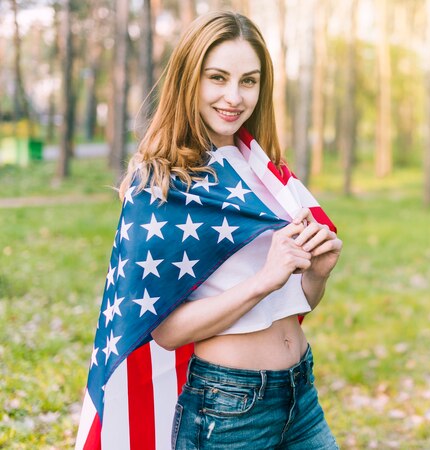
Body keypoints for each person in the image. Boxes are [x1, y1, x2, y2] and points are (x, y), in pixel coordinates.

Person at [75, 10, 342, 450]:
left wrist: (317, 274)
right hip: (229, 408)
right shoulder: (162, 182)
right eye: (217, 77)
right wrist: (262, 280)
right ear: (189, 79)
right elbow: (166, 332)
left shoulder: (264, 170)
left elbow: (293, 305)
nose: (234, 96)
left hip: (300, 395)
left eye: (249, 81)